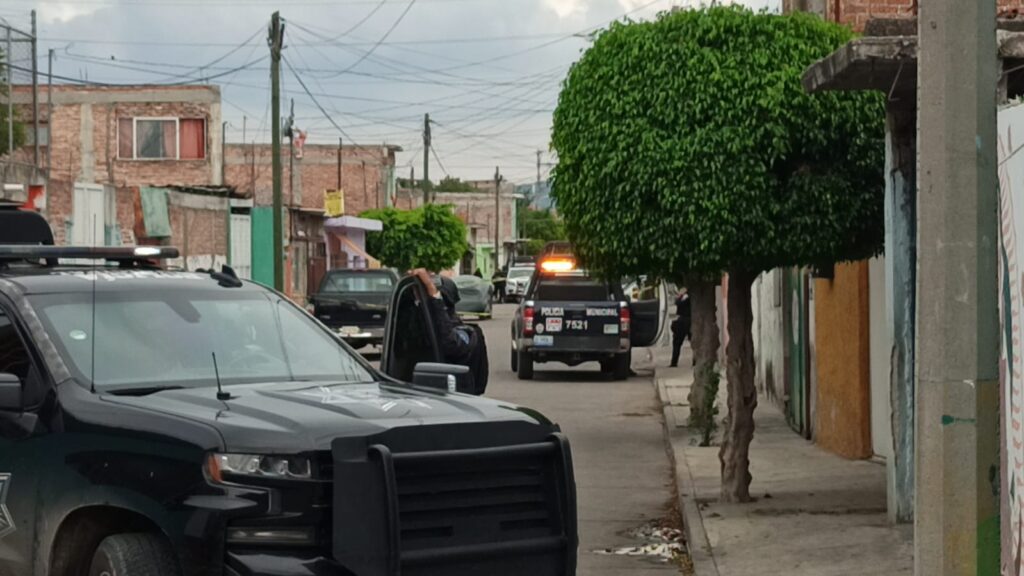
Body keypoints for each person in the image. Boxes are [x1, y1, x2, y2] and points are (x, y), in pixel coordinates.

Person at [412, 269, 489, 395]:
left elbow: (450, 344)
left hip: (458, 397)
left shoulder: (466, 333)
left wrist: (435, 298)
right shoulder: (428, 329)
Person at [670, 288, 691, 368]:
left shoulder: (688, 297)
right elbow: (677, 302)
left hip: (687, 320)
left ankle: (674, 362)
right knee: (677, 342)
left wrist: (681, 295)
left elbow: (679, 303)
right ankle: (674, 362)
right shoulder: (684, 297)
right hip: (683, 320)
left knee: (678, 342)